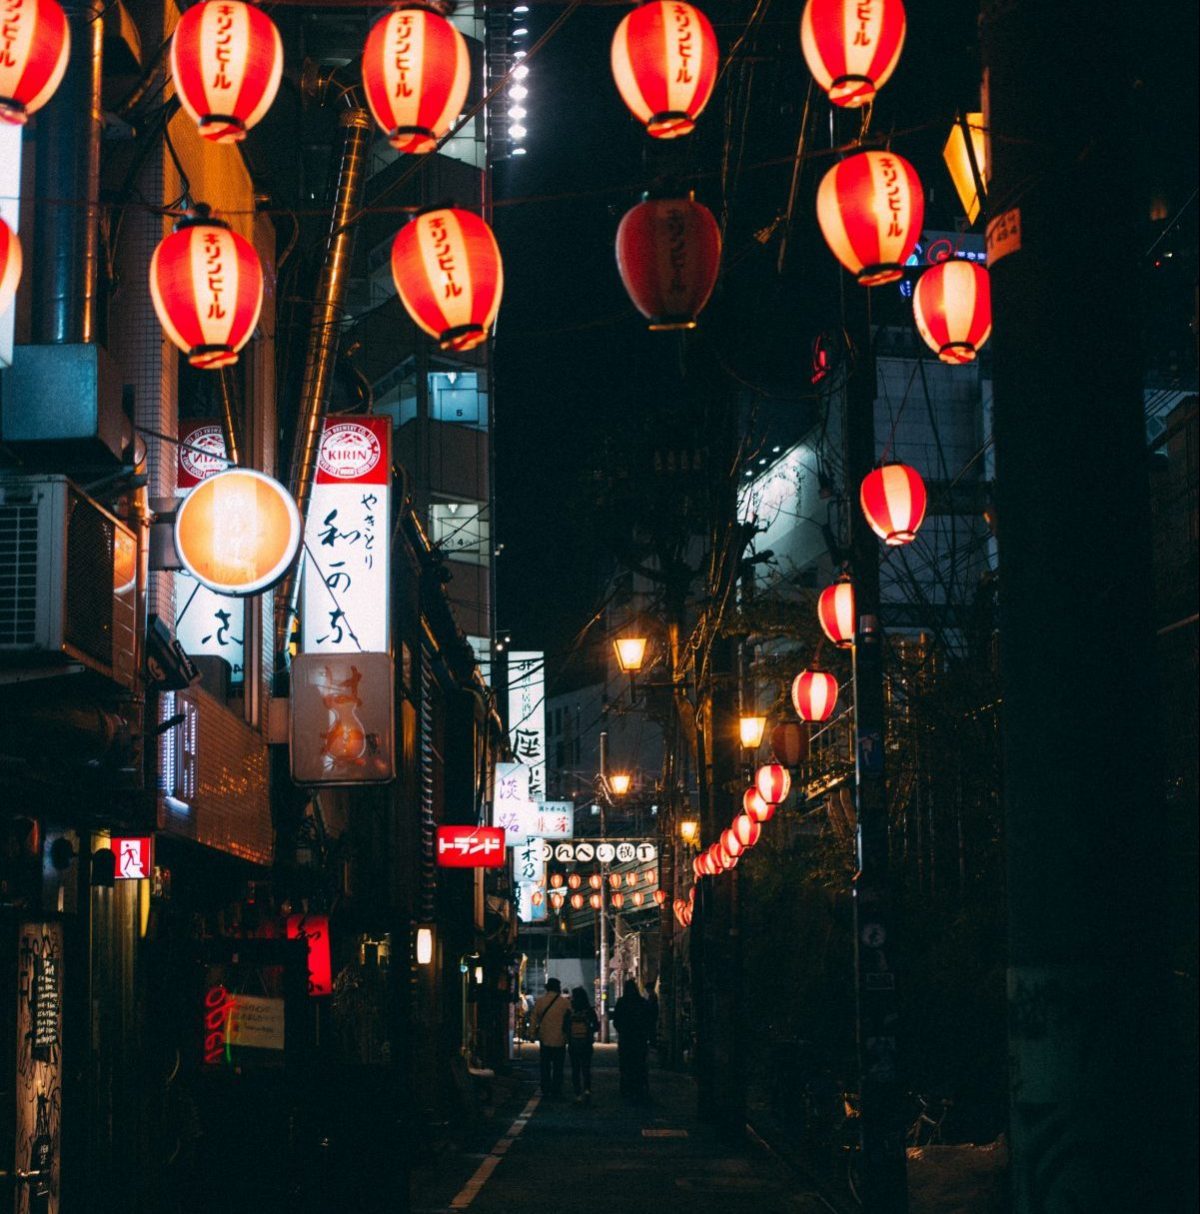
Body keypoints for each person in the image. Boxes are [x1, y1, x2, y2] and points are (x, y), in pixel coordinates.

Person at [611, 979, 651, 1100]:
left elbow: (616, 1020)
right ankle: (639, 1088)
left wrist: (622, 1031)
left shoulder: (622, 1002)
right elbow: (648, 1020)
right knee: (639, 1064)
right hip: (639, 1039)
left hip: (626, 1039)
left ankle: (626, 1089)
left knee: (626, 1065)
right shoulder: (642, 1002)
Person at [530, 978, 570, 1097]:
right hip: (560, 1039)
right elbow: (570, 1019)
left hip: (545, 1038)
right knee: (558, 1066)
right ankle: (556, 1089)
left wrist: (532, 1034)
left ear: (547, 988)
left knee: (545, 1065)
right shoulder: (565, 1003)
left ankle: (545, 1088)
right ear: (558, 987)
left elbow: (533, 1019)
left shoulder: (540, 1001)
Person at [566, 987, 600, 1103]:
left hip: (573, 1043)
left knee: (575, 1068)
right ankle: (587, 1089)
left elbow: (564, 1027)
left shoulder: (570, 1010)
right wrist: (589, 1031)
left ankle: (577, 1093)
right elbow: (596, 1026)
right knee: (586, 1067)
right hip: (586, 1043)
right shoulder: (589, 1010)